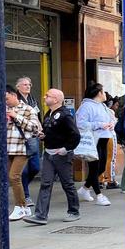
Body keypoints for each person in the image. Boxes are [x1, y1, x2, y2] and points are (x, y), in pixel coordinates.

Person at [23, 89, 81, 225]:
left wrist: (66, 149)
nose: (44, 97)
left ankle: (74, 211)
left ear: (56, 99)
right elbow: (50, 131)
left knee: (67, 184)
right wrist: (44, 136)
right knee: (45, 183)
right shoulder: (49, 114)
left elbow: (75, 135)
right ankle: (40, 215)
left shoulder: (65, 115)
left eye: (48, 96)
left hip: (61, 155)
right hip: (49, 153)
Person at [75, 82, 115, 206]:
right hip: (93, 140)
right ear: (98, 93)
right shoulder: (86, 106)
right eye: (103, 92)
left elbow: (109, 118)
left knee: (101, 167)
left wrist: (112, 123)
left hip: (103, 138)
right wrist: (99, 125)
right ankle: (99, 195)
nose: (105, 94)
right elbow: (81, 124)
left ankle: (85, 188)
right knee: (94, 168)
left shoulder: (101, 106)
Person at [5, 84, 40, 221]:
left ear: (13, 95)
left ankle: (21, 207)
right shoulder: (3, 109)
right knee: (11, 177)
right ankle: (23, 207)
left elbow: (34, 127)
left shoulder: (27, 109)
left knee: (14, 176)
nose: (5, 102)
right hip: (7, 149)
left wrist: (16, 116)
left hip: (21, 148)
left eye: (7, 99)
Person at [16, 76, 41, 207]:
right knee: (24, 170)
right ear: (18, 87)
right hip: (21, 138)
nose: (28, 86)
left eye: (29, 84)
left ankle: (21, 185)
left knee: (36, 167)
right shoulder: (16, 101)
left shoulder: (32, 100)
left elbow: (36, 117)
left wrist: (40, 130)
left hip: (33, 137)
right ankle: (25, 195)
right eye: (25, 84)